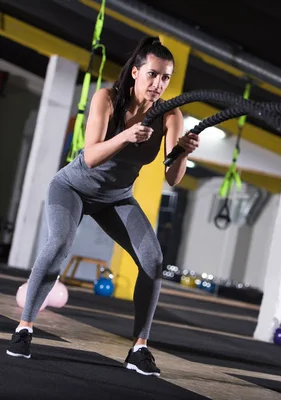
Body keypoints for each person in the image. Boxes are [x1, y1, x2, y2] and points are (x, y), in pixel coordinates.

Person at [6, 36, 199, 377]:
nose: (159, 84)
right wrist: (125, 136)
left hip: (117, 198)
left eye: (166, 77)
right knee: (60, 244)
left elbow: (172, 178)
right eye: (153, 74)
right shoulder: (107, 99)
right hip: (72, 188)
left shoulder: (171, 115)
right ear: (136, 72)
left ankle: (139, 349)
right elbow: (91, 156)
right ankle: (24, 328)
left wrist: (182, 151)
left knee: (153, 261)